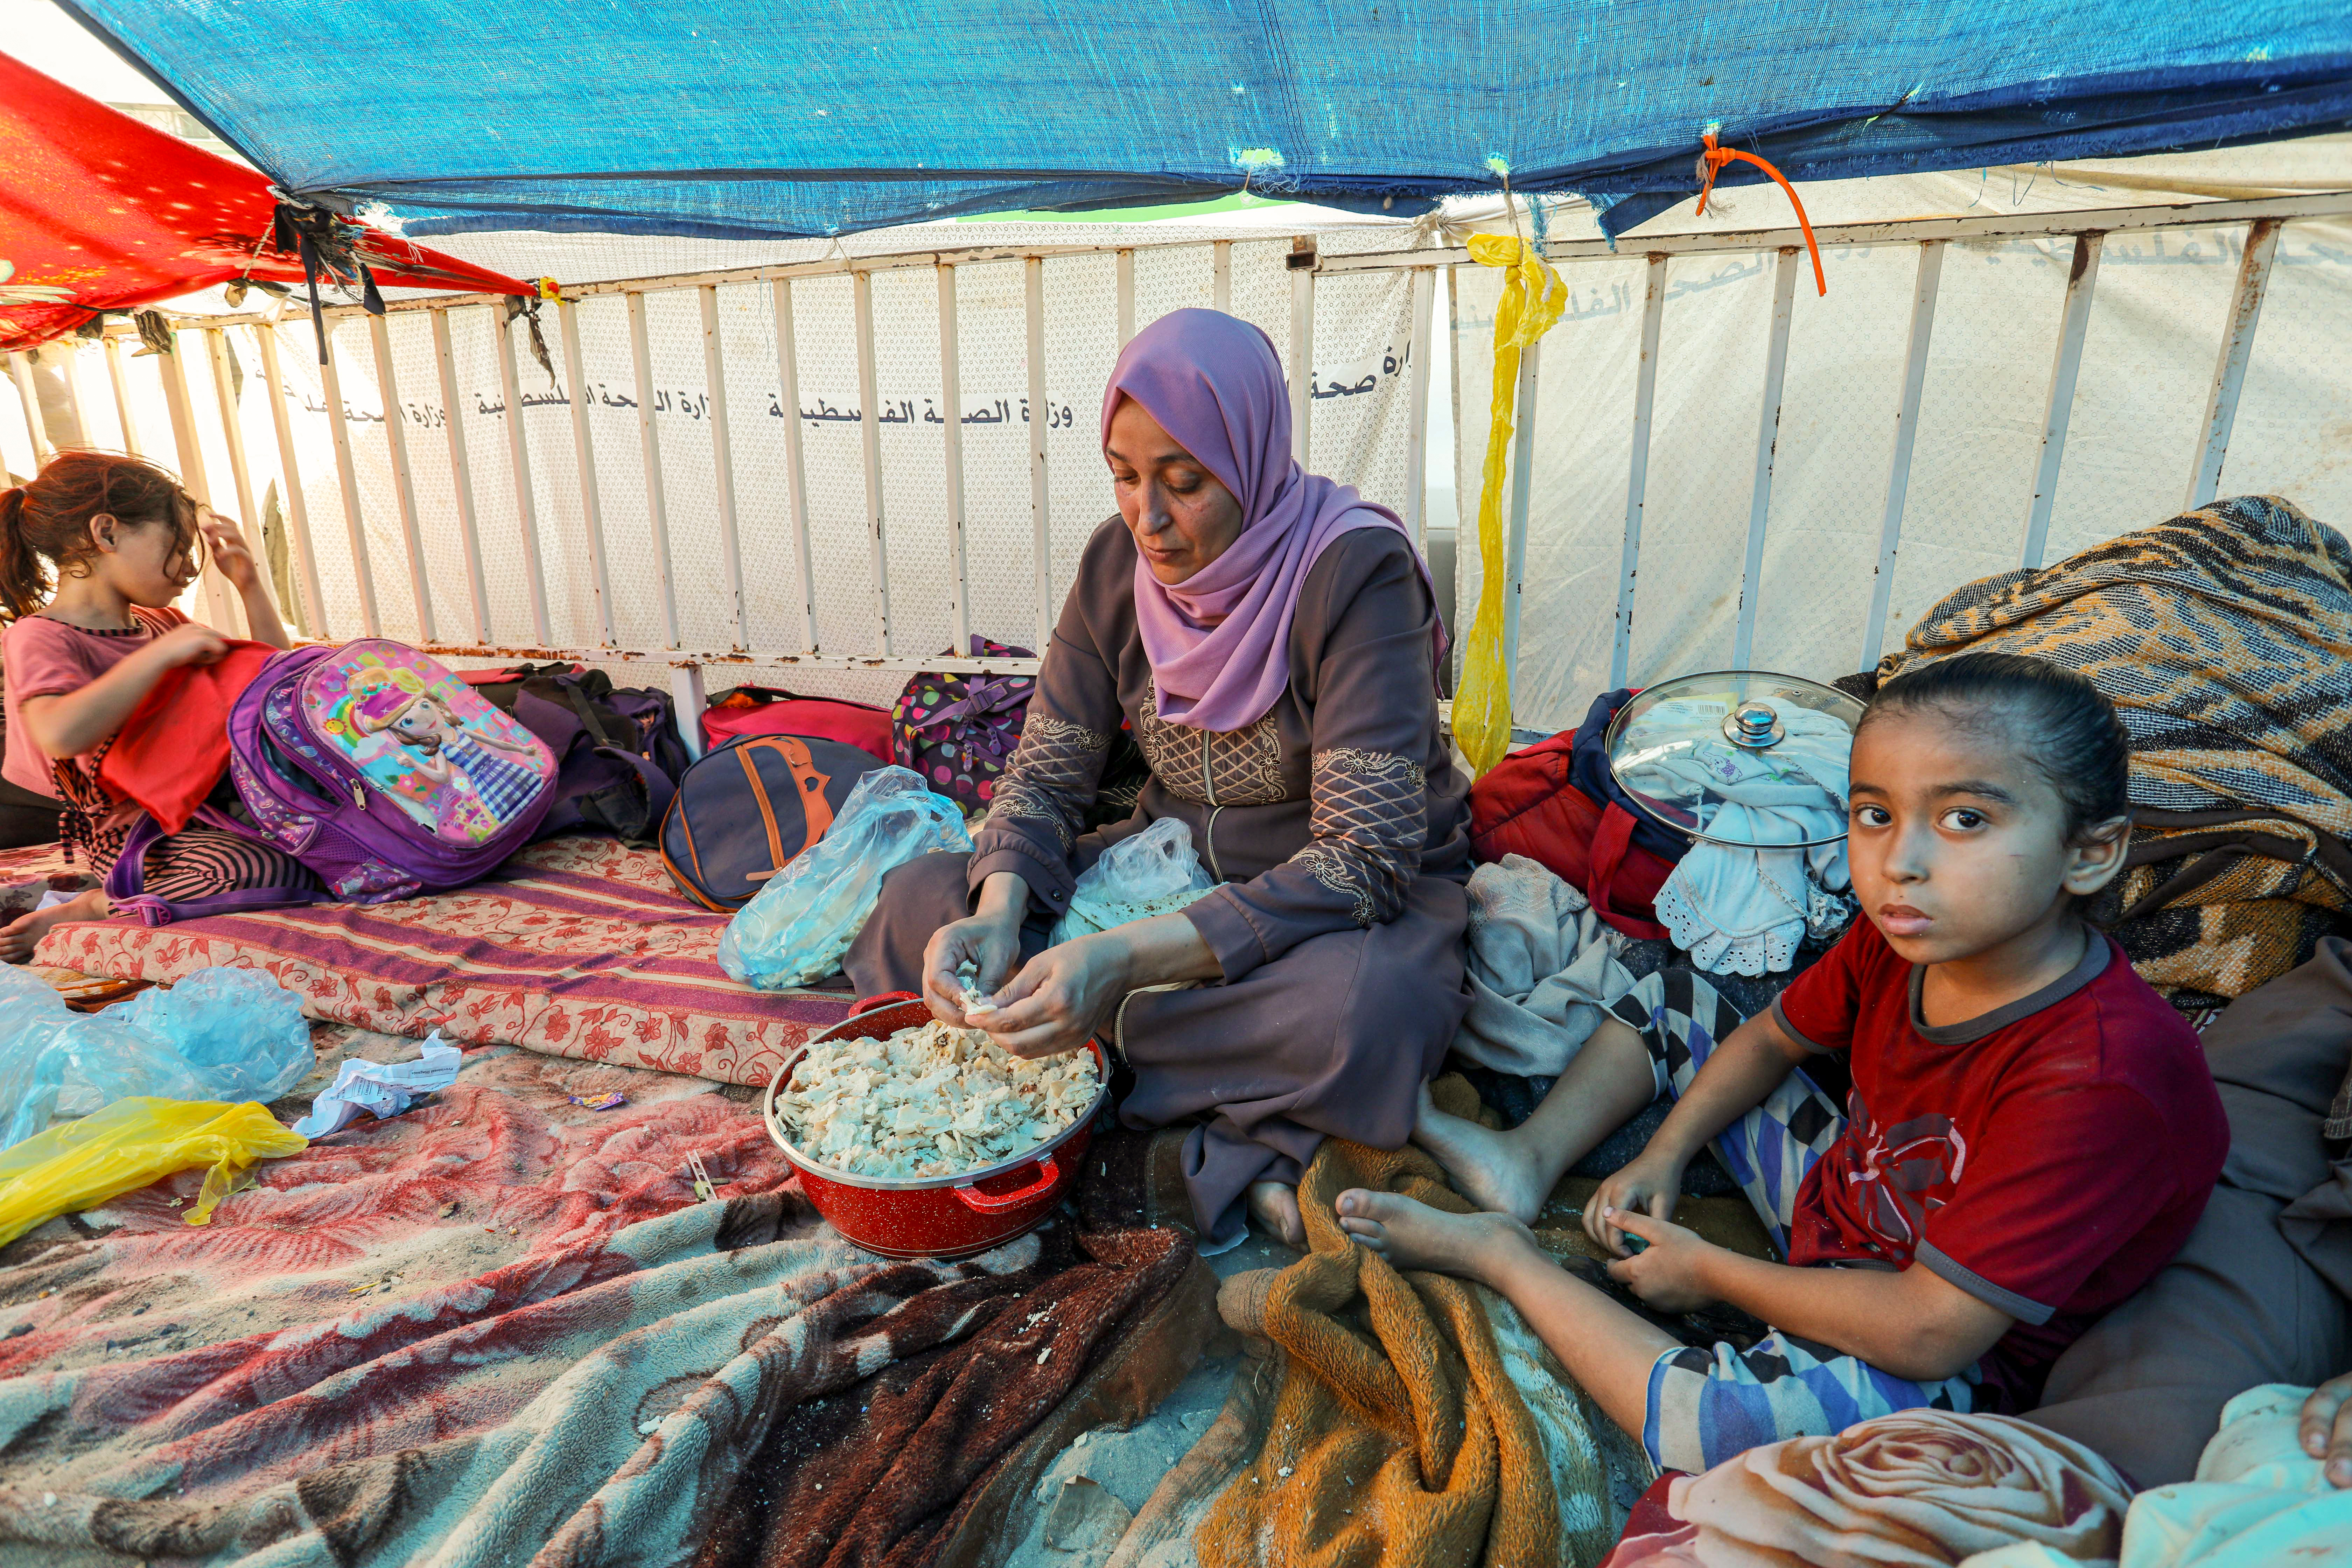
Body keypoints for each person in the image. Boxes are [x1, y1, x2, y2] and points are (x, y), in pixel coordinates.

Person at [1335, 652, 2229, 1473]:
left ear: (2090, 851)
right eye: (1875, 814)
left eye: (1965, 819)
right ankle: (1527, 1159)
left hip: (1950, 1343)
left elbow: (1932, 1331)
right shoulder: (1904, 943)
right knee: (1683, 996)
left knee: (1710, 1425)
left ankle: (1505, 1256)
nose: (1900, 863)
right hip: (1856, 1210)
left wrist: (1709, 1270)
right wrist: (1667, 1152)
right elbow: (1768, 1038)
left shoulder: (2100, 1074)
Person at [846, 308, 1470, 1252]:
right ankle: (1208, 1101)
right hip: (1160, 870)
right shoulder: (1115, 566)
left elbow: (1362, 861)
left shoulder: (1357, 574)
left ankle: (1098, 1054)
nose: (1150, 518)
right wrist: (1001, 913)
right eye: (1126, 478)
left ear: (1253, 460)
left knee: (1361, 1016)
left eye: (1185, 483)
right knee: (918, 904)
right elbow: (1047, 779)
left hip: (1323, 910)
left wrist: (1123, 961)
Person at [0, 449, 306, 959]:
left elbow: (274, 684)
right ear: (107, 533)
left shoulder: (163, 624)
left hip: (210, 810)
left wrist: (251, 586)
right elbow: (59, 732)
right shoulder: (41, 636)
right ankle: (98, 905)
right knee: (257, 872)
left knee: (333, 846)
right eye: (177, 547)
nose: (188, 568)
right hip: (132, 838)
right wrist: (159, 658)